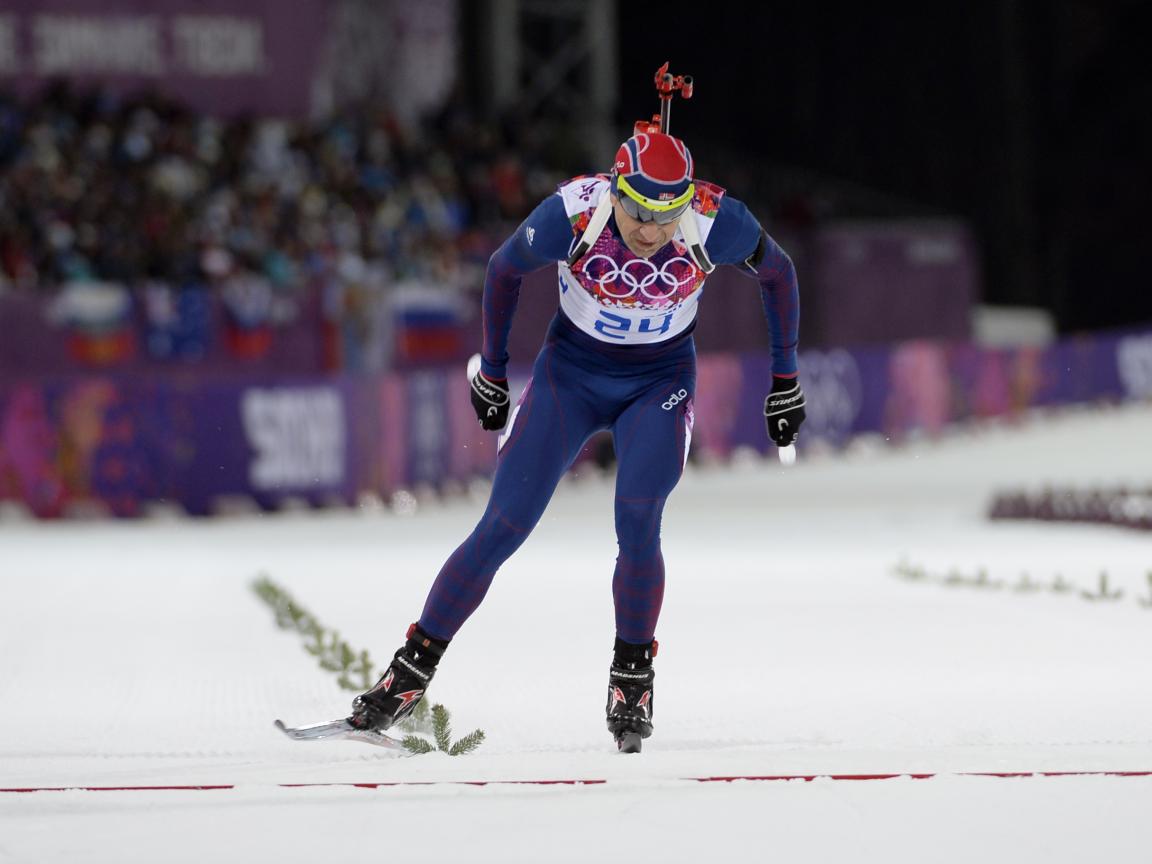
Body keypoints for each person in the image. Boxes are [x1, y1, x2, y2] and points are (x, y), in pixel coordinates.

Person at [349, 131, 806, 751]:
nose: (650, 231)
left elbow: (779, 274)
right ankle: (407, 675)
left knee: (638, 519)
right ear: (615, 191)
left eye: (666, 215)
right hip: (570, 377)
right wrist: (492, 370)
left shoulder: (714, 218)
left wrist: (785, 381)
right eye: (637, 211)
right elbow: (503, 269)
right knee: (503, 525)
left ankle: (632, 679)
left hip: (660, 382)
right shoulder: (574, 212)